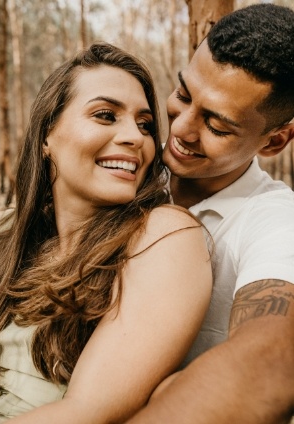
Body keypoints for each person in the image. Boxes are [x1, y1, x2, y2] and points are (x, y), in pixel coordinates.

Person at [0, 42, 212, 423]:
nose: (135, 137)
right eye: (106, 115)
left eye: (145, 125)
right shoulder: (5, 230)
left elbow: (86, 412)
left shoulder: (163, 234)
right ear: (48, 134)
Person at [126, 3, 294, 424]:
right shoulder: (127, 173)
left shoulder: (275, 220)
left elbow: (274, 361)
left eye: (217, 127)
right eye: (183, 94)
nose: (181, 129)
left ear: (274, 143)